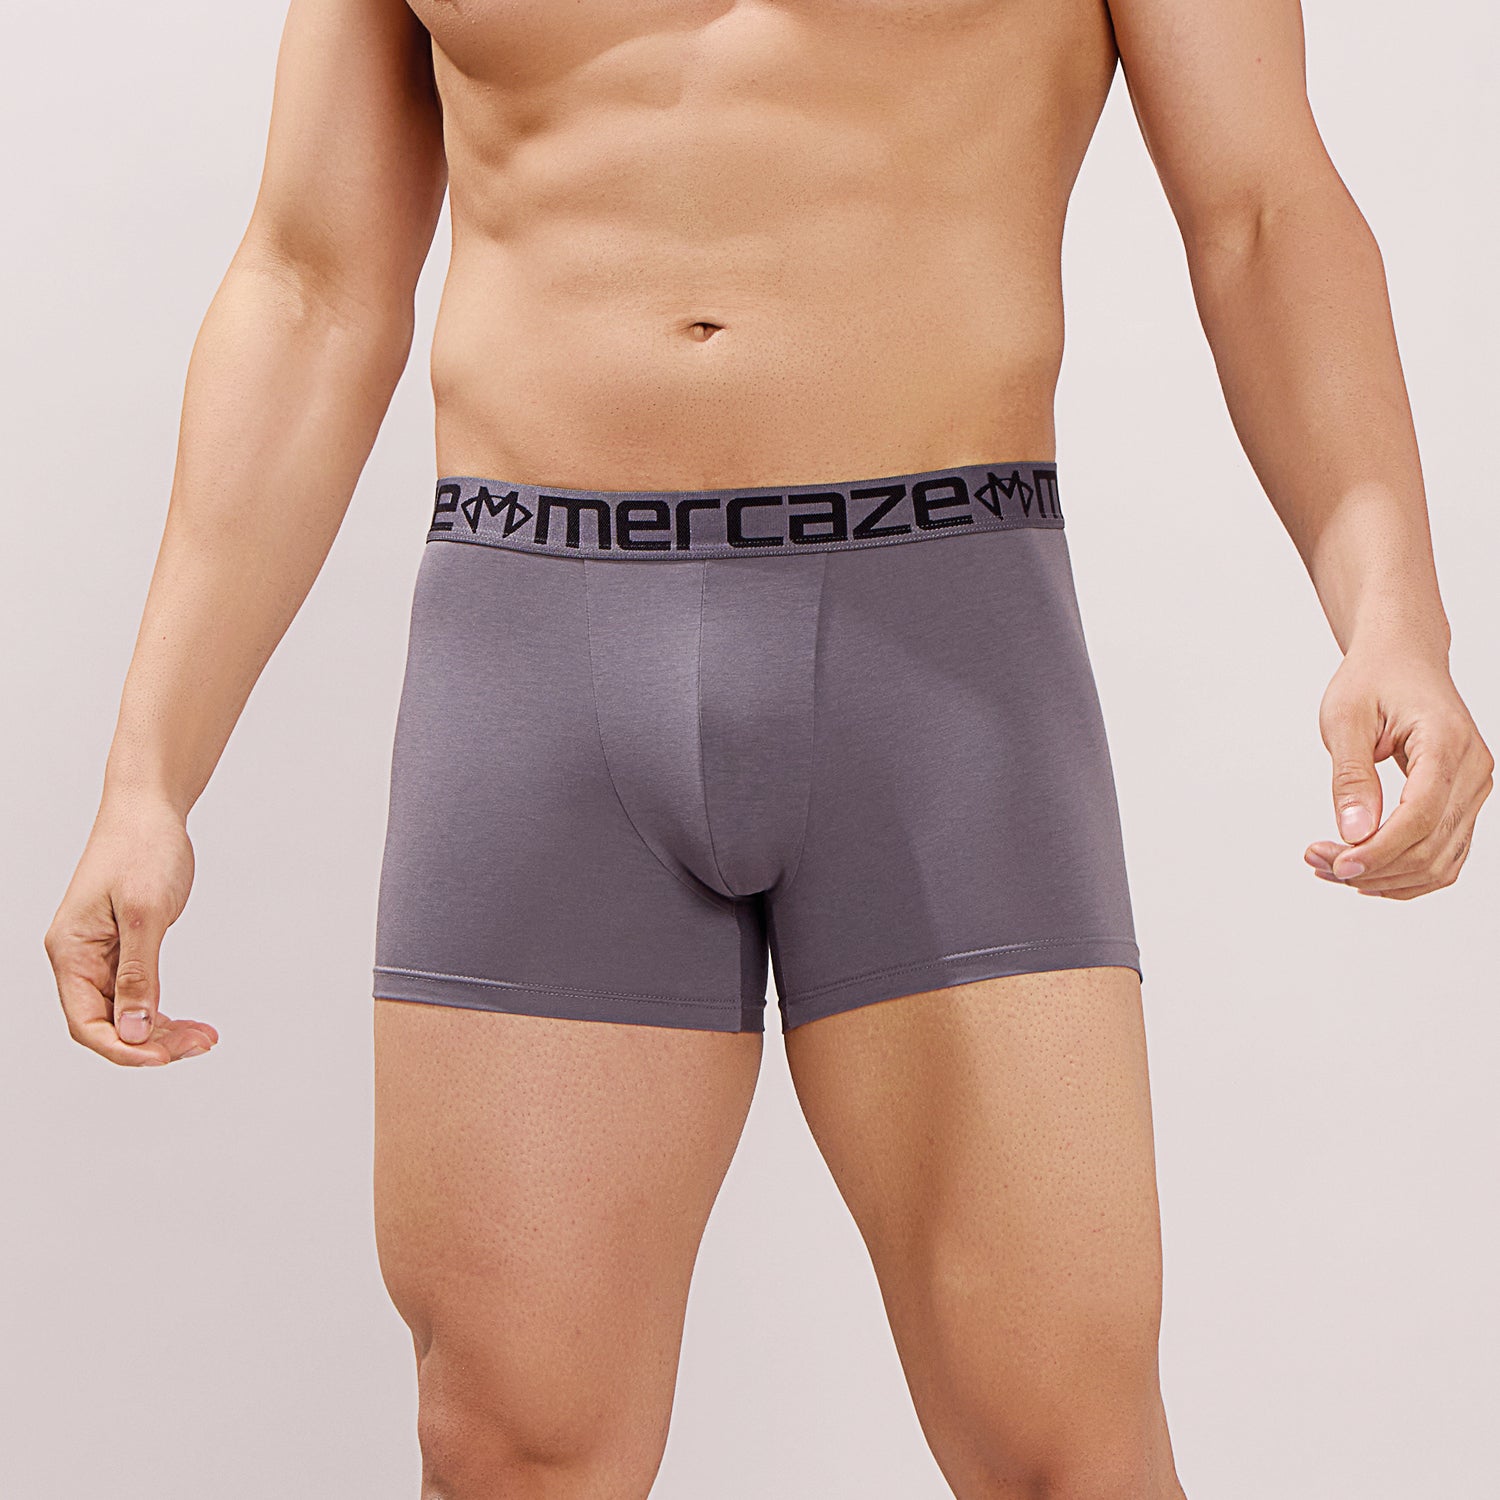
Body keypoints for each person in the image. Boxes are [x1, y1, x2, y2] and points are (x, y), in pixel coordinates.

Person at [43, 1, 1492, 1496]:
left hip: (937, 648)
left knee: (1063, 1449)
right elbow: (310, 283)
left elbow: (1261, 213)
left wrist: (1392, 609)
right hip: (531, 643)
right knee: (508, 1449)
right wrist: (150, 775)